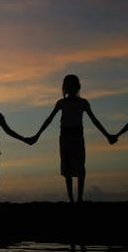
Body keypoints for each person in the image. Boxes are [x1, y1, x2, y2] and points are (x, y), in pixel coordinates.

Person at [30, 75, 117, 203]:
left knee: (80, 168)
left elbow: (94, 120)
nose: (71, 88)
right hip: (65, 137)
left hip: (77, 137)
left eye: (73, 85)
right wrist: (37, 135)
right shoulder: (61, 103)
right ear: (65, 87)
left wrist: (107, 135)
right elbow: (49, 119)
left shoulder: (83, 103)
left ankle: (80, 198)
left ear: (77, 87)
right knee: (67, 169)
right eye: (68, 85)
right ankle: (71, 199)